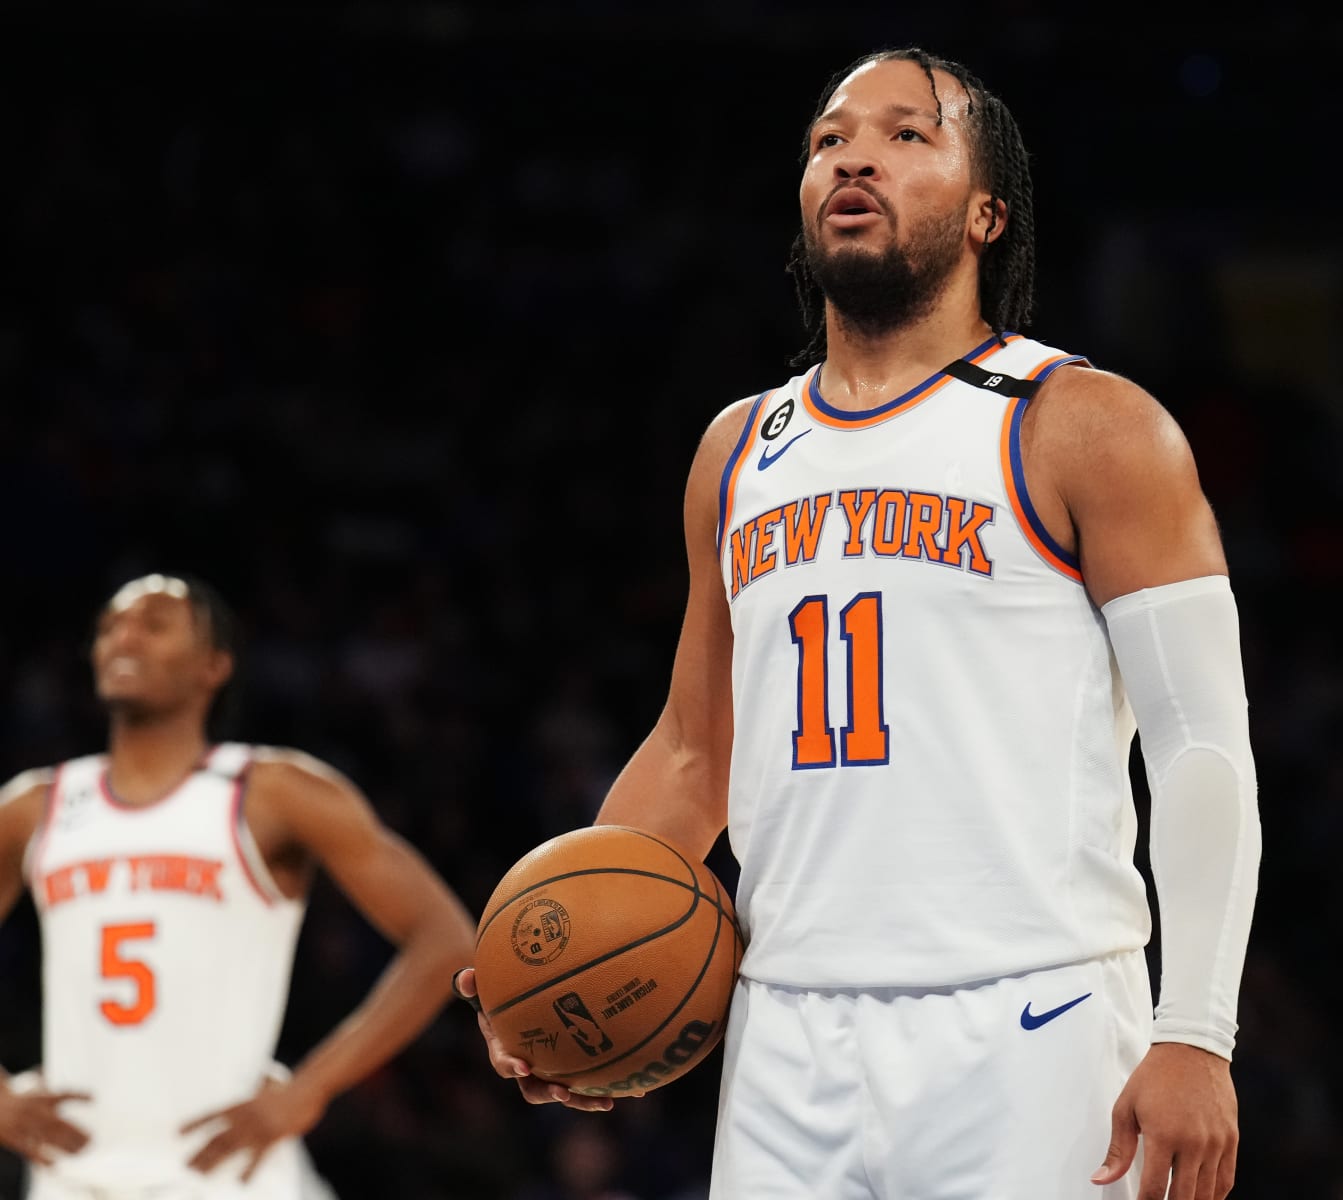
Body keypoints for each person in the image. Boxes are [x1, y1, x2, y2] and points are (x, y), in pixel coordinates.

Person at [459, 47, 1262, 1200]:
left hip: (1033, 1019)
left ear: (987, 213)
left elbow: (1200, 745)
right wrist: (561, 959)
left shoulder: (1087, 425)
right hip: (785, 1030)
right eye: (830, 139)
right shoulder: (738, 450)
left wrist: (1196, 1029)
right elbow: (694, 752)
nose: (855, 159)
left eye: (907, 135)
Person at [0, 573, 477, 1199]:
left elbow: (445, 938)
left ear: (214, 665)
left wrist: (311, 1088)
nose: (124, 638)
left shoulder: (274, 792)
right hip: (71, 1176)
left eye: (154, 624)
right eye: (110, 626)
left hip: (234, 1175)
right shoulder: (35, 806)